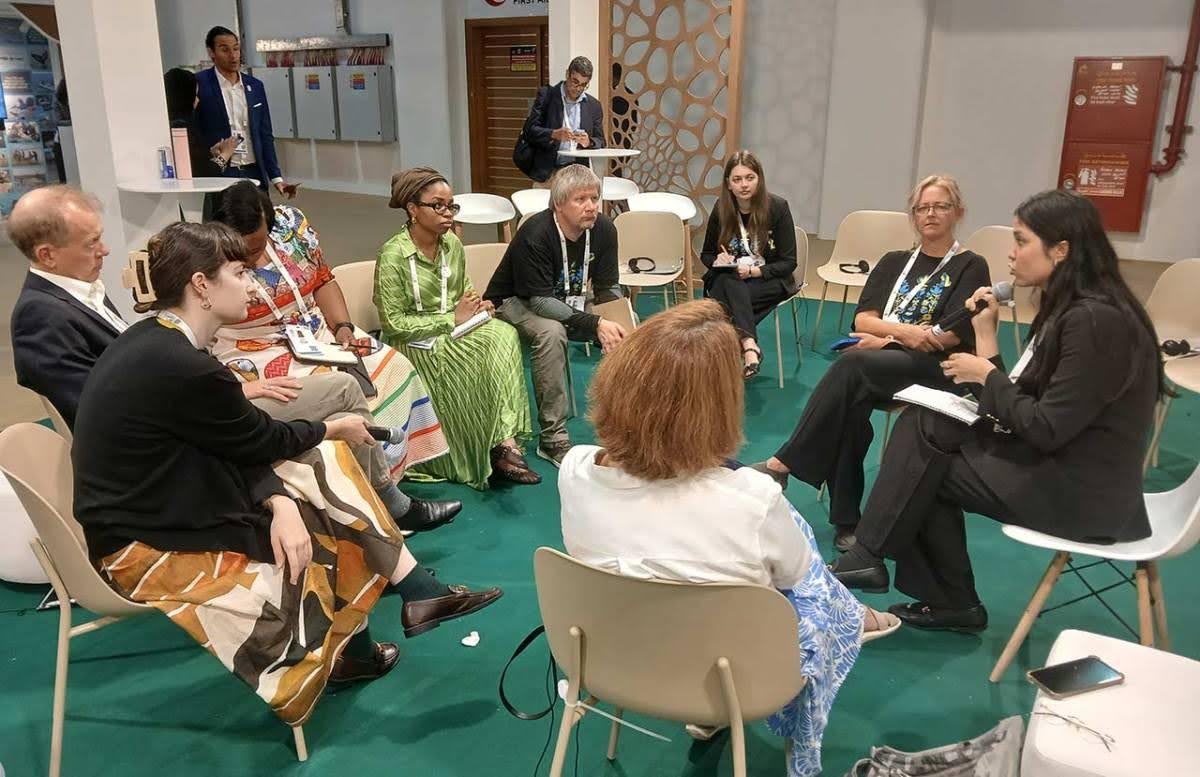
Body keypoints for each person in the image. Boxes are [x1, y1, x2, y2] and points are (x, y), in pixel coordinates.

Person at [71, 221, 503, 723]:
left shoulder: (158, 340)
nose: (254, 286)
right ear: (201, 286)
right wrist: (325, 439)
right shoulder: (183, 363)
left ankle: (401, 605)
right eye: (240, 273)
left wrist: (285, 486)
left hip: (165, 496)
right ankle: (391, 612)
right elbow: (258, 440)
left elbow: (235, 440)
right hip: (142, 535)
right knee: (319, 495)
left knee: (319, 472)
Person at [559, 299, 899, 777]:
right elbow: (797, 579)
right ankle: (854, 616)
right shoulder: (752, 500)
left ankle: (852, 615)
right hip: (729, 677)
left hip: (609, 660)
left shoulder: (574, 469)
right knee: (804, 579)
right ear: (720, 406)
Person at [829, 190, 1163, 633]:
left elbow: (1043, 427)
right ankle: (893, 571)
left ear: (1060, 250)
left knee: (923, 467)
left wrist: (985, 375)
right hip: (1064, 465)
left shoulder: (1094, 321)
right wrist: (986, 338)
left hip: (1083, 495)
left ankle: (894, 569)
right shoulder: (1075, 308)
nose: (1011, 252)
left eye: (1022, 241)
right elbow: (1022, 403)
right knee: (924, 424)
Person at [751, 175, 990, 552]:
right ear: (913, 215)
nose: (930, 214)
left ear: (958, 213)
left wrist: (888, 338)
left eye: (941, 206)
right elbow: (863, 320)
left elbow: (945, 337)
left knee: (852, 368)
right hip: (882, 366)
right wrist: (903, 334)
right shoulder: (895, 262)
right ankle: (848, 523)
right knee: (851, 402)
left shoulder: (970, 266)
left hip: (939, 369)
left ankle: (783, 463)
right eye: (923, 207)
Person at [208, 180, 458, 532]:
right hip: (255, 347)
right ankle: (373, 501)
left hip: (316, 330)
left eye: (258, 245)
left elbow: (323, 279)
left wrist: (342, 327)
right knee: (338, 388)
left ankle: (385, 488)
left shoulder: (292, 225)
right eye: (243, 251)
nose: (251, 257)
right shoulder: (207, 256)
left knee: (394, 366)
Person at [376, 167, 537, 488]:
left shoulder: (452, 244)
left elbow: (464, 291)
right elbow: (393, 322)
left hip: (453, 330)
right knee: (472, 355)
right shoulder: (393, 255)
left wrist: (477, 307)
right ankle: (488, 449)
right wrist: (451, 319)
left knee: (503, 334)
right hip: (413, 341)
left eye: (451, 206)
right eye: (438, 205)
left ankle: (504, 443)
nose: (448, 213)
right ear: (412, 209)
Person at [486, 164, 627, 466]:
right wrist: (596, 323)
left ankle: (629, 428)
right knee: (551, 332)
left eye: (594, 198)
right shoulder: (535, 233)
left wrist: (618, 320)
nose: (591, 206)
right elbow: (540, 302)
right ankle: (552, 439)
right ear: (559, 204)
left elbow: (607, 286)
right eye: (580, 199)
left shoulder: (603, 229)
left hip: (570, 301)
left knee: (628, 331)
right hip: (515, 302)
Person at [10, 186, 131, 428]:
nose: (105, 250)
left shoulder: (80, 289)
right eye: (91, 243)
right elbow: (98, 409)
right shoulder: (40, 318)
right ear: (47, 255)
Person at [699, 150, 799, 378]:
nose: (744, 185)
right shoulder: (721, 208)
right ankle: (749, 345)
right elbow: (706, 254)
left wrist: (754, 271)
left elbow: (789, 262)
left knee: (722, 304)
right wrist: (718, 260)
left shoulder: (778, 207)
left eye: (749, 178)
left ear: (759, 179)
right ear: (728, 184)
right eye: (737, 179)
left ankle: (732, 352)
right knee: (728, 280)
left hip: (768, 279)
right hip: (732, 279)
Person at [195, 26, 299, 198]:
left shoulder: (255, 86)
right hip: (222, 172)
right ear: (211, 52)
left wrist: (276, 177)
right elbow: (194, 131)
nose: (233, 55)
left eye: (236, 49)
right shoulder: (200, 84)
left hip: (254, 170)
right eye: (225, 50)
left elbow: (265, 134)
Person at [519, 56, 605, 184]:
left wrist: (589, 142)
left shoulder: (594, 105)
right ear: (567, 74)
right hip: (548, 173)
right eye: (575, 82)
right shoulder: (546, 96)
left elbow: (601, 141)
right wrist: (554, 134)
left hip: (578, 175)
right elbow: (529, 131)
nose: (578, 88)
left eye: (583, 85)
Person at [164, 67, 235, 178]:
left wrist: (210, 153)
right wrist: (226, 153)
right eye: (194, 95)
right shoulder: (180, 129)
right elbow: (205, 172)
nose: (197, 100)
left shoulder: (165, 123)